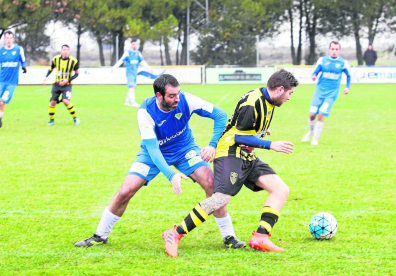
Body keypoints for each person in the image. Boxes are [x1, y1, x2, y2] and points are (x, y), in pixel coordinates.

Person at [75, 74, 245, 249]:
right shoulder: (145, 112)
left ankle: (229, 237)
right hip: (153, 153)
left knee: (211, 184)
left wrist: (212, 145)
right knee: (126, 191)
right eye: (171, 96)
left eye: (178, 94)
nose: (177, 99)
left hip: (185, 149)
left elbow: (220, 115)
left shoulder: (186, 100)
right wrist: (171, 175)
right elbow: (154, 150)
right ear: (159, 95)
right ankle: (100, 236)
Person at [163, 69, 299, 257]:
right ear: (280, 89)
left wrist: (260, 133)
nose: (289, 98)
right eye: (290, 93)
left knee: (280, 189)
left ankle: (261, 236)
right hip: (231, 151)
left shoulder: (269, 100)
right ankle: (175, 233)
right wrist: (271, 145)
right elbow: (238, 136)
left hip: (247, 154)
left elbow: (246, 129)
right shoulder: (254, 102)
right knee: (220, 198)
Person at [301, 41, 351, 146]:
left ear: (339, 50)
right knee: (312, 114)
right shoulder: (322, 60)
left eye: (336, 49)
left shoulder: (343, 63)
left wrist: (347, 87)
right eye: (332, 49)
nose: (334, 51)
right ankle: (310, 132)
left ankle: (315, 139)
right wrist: (314, 76)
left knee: (321, 114)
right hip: (319, 92)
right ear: (329, 49)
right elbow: (315, 72)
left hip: (332, 94)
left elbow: (349, 76)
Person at [43, 44, 80, 126]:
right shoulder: (56, 59)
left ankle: (75, 118)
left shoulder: (74, 61)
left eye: (67, 50)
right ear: (61, 51)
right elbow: (51, 69)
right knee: (52, 102)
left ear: (69, 51)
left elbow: (77, 74)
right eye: (64, 49)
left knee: (65, 101)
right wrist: (46, 77)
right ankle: (51, 121)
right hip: (57, 84)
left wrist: (68, 80)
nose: (66, 51)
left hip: (67, 85)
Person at [112, 39, 152, 107]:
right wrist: (114, 67)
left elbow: (142, 62)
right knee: (132, 87)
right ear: (131, 45)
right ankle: (133, 102)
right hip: (129, 73)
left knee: (132, 87)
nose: (134, 45)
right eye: (133, 44)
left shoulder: (138, 53)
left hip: (135, 73)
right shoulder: (127, 53)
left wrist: (149, 68)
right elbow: (121, 61)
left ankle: (126, 102)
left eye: (135, 44)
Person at [0, 31, 27, 128]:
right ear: (4, 39)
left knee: (2, 102)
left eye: (10, 38)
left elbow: (23, 60)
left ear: (13, 39)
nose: (9, 40)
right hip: (1, 81)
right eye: (7, 38)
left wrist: (24, 67)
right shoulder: (1, 51)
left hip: (11, 83)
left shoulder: (18, 49)